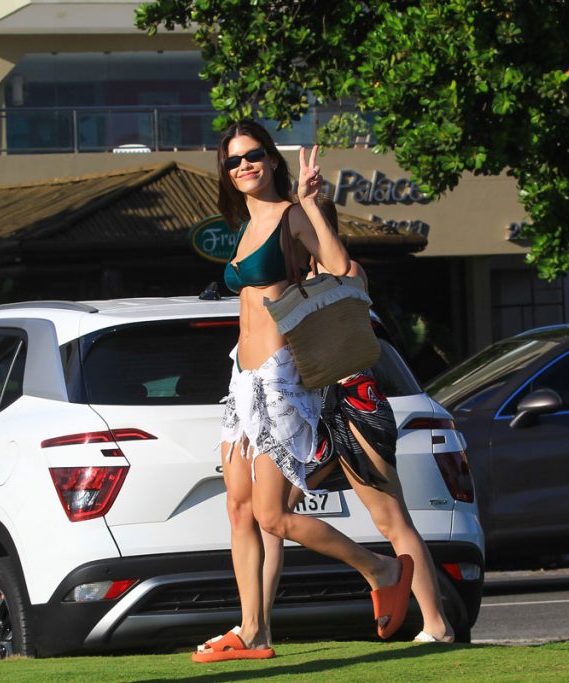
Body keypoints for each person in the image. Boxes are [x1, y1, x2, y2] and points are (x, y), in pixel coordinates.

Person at [193, 120, 414, 663]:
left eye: (252, 156)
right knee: (240, 513)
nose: (243, 165)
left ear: (271, 159)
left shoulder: (290, 215)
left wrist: (312, 203)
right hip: (240, 381)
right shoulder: (242, 225)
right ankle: (252, 634)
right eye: (233, 160)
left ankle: (382, 569)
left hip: (280, 380)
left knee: (273, 517)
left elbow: (341, 268)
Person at [259, 197, 456, 644]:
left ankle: (436, 624)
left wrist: (310, 207)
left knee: (391, 518)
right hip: (311, 414)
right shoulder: (291, 282)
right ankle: (258, 627)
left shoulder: (345, 276)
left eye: (302, 227)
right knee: (270, 515)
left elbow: (344, 268)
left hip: (355, 404)